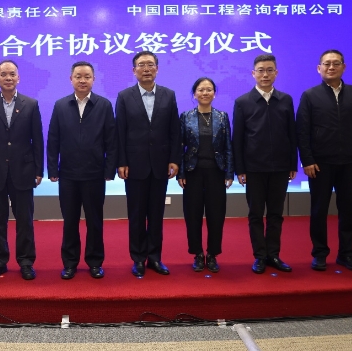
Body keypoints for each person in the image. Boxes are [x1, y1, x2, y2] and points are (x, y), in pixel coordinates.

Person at [296, 50, 352, 272]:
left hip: (349, 162)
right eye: (326, 64)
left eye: (336, 63)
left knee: (348, 210)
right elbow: (302, 131)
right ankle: (320, 253)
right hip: (320, 164)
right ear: (319, 68)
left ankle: (346, 254)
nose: (331, 67)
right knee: (319, 210)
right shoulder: (310, 95)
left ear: (343, 67)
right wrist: (307, 160)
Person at [47, 61, 117, 280]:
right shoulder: (60, 105)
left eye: (87, 76)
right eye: (78, 76)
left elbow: (111, 140)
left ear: (93, 79)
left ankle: (95, 262)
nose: (83, 80)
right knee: (70, 221)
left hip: (94, 174)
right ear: (71, 79)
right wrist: (52, 168)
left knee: (95, 221)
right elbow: (53, 139)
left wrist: (109, 169)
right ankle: (70, 263)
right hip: (68, 174)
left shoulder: (104, 105)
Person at [0, 60, 44, 281]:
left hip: (23, 170)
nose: (8, 78)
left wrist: (38, 170)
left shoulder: (30, 104)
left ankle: (26, 262)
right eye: (3, 74)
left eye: (12, 74)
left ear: (18, 78)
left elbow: (37, 140)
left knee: (25, 220)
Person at [115, 50, 180, 277]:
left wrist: (174, 158)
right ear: (134, 71)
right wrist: (121, 161)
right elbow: (120, 131)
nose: (146, 69)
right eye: (141, 65)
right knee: (136, 214)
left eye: (150, 64)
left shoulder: (168, 95)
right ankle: (138, 258)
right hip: (134, 165)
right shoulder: (125, 96)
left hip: (160, 164)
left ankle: (154, 257)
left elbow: (174, 130)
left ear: (157, 69)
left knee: (156, 214)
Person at [232, 54, 297, 275]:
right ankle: (260, 256)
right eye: (260, 70)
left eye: (270, 70)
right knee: (256, 214)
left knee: (276, 214)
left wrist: (292, 163)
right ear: (253, 73)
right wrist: (240, 169)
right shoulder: (242, 102)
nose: (265, 74)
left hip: (280, 167)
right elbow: (238, 139)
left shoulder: (285, 99)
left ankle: (274, 255)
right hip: (254, 168)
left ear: (276, 73)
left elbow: (292, 134)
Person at [177, 77, 233, 273]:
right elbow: (180, 147)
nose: (205, 93)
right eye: (201, 90)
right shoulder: (186, 117)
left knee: (216, 215)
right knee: (192, 215)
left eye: (209, 89)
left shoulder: (222, 117)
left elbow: (228, 147)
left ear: (214, 93)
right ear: (194, 94)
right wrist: (180, 172)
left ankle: (212, 254)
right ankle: (198, 254)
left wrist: (229, 172)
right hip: (192, 172)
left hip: (216, 172)